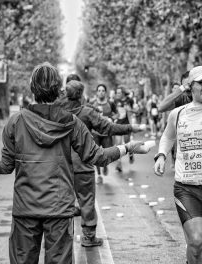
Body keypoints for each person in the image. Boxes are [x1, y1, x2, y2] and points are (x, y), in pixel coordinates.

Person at [0, 62, 149, 263]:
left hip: (25, 209)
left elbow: (5, 166)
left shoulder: (15, 122)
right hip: (59, 209)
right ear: (57, 90)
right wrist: (128, 147)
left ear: (32, 87)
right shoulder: (72, 123)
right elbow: (98, 157)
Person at [154, 66, 202, 264]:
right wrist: (162, 155)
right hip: (187, 189)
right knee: (196, 241)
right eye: (201, 83)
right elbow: (167, 136)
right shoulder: (178, 114)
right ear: (190, 87)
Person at [55, 80, 143, 247]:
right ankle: (88, 237)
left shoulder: (56, 113)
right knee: (87, 201)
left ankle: (61, 238)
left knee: (63, 202)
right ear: (81, 95)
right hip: (83, 163)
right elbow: (108, 128)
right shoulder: (87, 113)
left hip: (61, 165)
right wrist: (131, 128)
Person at [92, 83, 118, 180]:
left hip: (107, 132)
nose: (101, 92)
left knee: (106, 153)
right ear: (97, 92)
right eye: (99, 91)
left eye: (103, 91)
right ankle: (98, 174)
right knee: (96, 154)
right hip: (95, 133)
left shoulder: (111, 103)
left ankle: (105, 166)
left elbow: (117, 114)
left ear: (105, 92)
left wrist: (111, 119)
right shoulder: (92, 103)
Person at [114, 87, 135, 172]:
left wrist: (130, 109)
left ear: (123, 93)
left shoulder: (130, 100)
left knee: (127, 143)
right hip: (118, 124)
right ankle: (119, 164)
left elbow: (135, 110)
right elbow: (115, 113)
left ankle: (131, 154)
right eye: (117, 93)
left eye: (119, 93)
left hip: (126, 125)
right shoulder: (115, 101)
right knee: (118, 144)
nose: (117, 94)